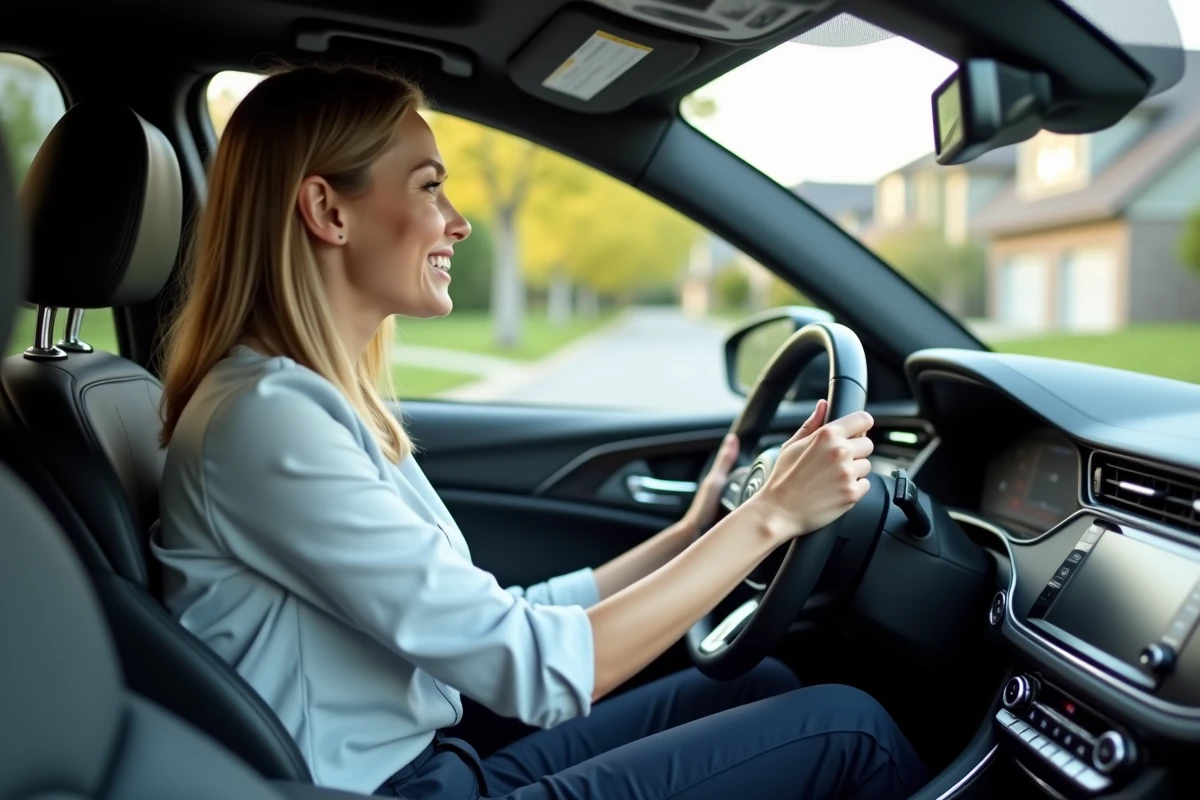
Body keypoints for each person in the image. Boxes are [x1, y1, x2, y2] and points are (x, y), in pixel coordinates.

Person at [153, 64, 927, 799]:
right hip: (395, 788)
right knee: (848, 733)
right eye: (430, 188)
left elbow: (499, 619)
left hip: (434, 768)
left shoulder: (304, 402)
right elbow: (538, 667)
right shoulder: (270, 420)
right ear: (328, 210)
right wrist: (772, 517)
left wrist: (695, 533)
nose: (458, 224)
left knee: (761, 686)